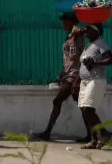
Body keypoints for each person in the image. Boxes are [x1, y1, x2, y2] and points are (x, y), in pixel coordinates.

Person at [35, 12, 90, 143]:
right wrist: (60, 75)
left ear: (72, 22)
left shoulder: (77, 36)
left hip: (74, 76)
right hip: (68, 75)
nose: (64, 23)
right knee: (82, 106)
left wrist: (78, 31)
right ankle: (92, 134)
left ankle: (47, 132)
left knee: (58, 101)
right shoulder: (70, 36)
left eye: (66, 20)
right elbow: (66, 60)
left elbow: (75, 56)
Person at [78, 23, 112, 150]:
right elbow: (84, 65)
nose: (86, 30)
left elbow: (110, 59)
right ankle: (94, 140)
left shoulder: (101, 43)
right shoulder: (88, 45)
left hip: (96, 80)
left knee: (88, 109)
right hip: (85, 81)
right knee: (84, 110)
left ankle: (104, 133)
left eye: (89, 29)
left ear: (96, 31)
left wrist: (95, 62)